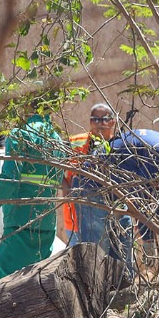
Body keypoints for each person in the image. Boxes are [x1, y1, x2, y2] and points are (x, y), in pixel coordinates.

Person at [0, 97, 65, 280]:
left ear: (27, 105)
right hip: (46, 226)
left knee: (6, 280)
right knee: (37, 282)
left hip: (21, 224)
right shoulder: (57, 140)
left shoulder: (20, 134)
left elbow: (10, 179)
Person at [112, 112, 159, 280]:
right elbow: (143, 201)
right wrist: (149, 243)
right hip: (95, 185)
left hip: (115, 190)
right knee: (107, 249)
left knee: (122, 240)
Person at [66, 102, 120, 258]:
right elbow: (59, 173)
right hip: (77, 218)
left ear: (113, 121)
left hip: (115, 216)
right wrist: (69, 192)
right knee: (85, 265)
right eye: (95, 119)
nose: (100, 124)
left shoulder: (120, 146)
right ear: (90, 122)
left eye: (104, 119)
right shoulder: (75, 142)